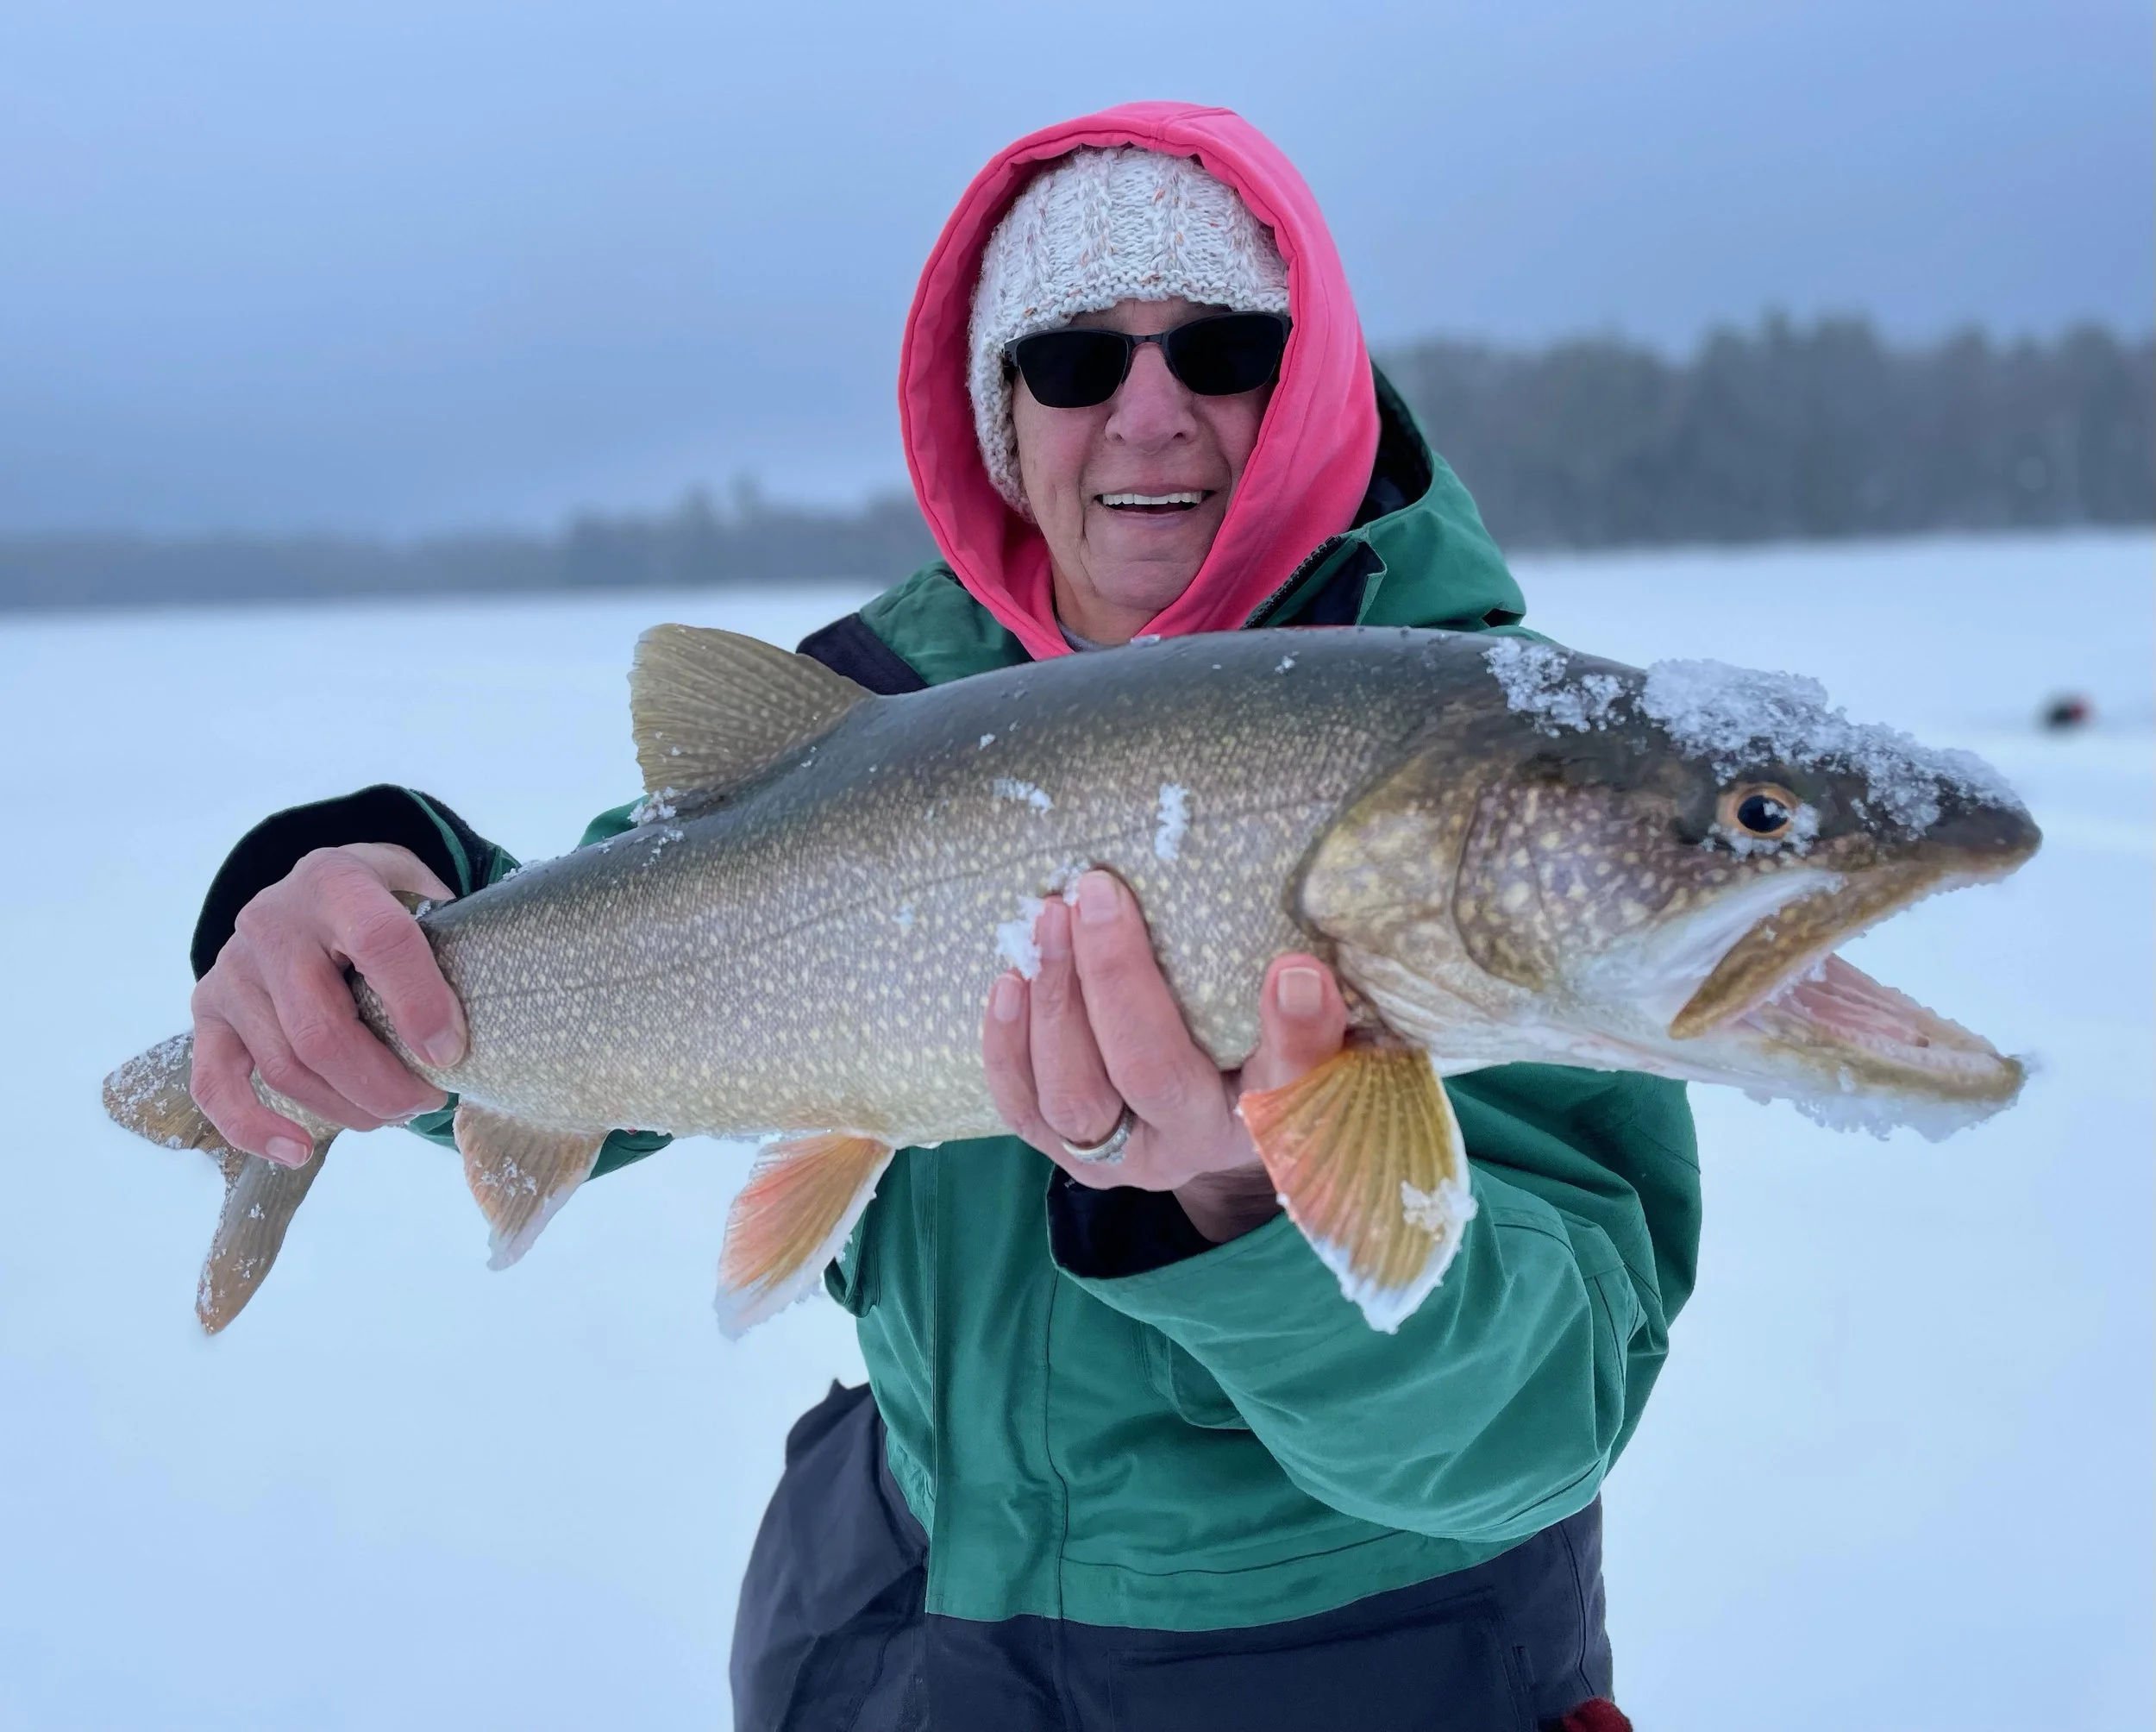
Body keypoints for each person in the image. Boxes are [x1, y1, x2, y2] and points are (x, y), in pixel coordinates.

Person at [183, 104, 1695, 1732]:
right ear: (1001, 414)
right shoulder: (868, 713)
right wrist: (351, 911)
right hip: (906, 1644)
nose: (1151, 414)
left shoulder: (1498, 769)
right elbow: (584, 988)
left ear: (1309, 374)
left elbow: (1533, 1423)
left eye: (1222, 348)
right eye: (1073, 362)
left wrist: (1251, 1201)